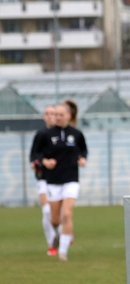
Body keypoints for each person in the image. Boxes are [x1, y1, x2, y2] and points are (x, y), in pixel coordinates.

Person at [32, 101, 88, 261]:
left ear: (68, 116)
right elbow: (36, 153)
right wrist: (44, 162)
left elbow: (83, 150)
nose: (57, 117)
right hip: (52, 180)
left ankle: (62, 252)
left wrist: (83, 159)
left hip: (71, 179)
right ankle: (58, 236)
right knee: (54, 219)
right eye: (55, 114)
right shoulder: (45, 134)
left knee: (67, 215)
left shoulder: (76, 134)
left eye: (60, 115)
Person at [29, 105, 59, 255]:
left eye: (52, 113)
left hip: (61, 179)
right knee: (47, 210)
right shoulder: (40, 134)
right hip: (44, 179)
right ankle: (52, 243)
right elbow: (34, 156)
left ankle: (65, 232)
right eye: (47, 113)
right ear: (44, 116)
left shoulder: (63, 134)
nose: (50, 116)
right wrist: (42, 162)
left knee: (60, 213)